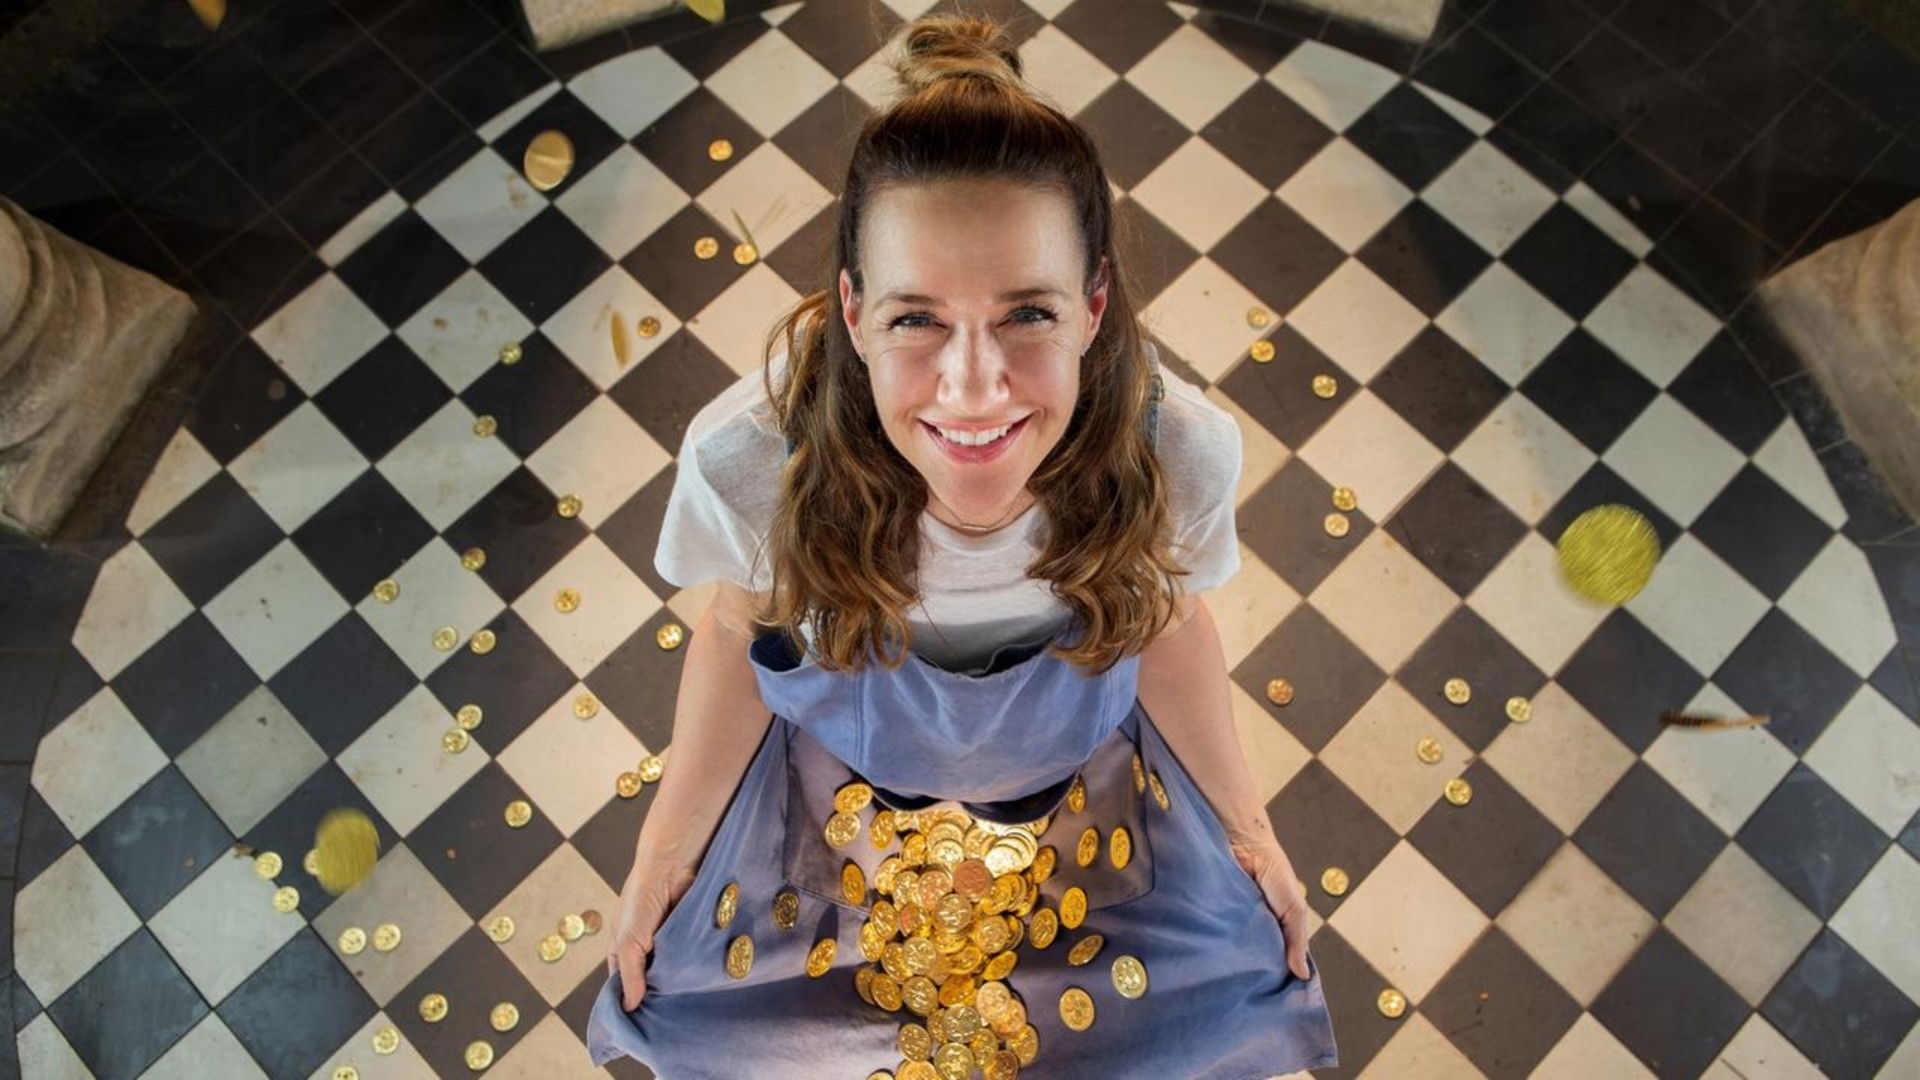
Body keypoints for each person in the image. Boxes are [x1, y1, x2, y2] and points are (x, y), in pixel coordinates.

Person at [587, 12, 1338, 1078]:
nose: (974, 390)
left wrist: (1252, 835)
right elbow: (738, 632)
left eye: (1027, 314)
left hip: (1074, 780)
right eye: (917, 319)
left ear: (1093, 307)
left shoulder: (1179, 454)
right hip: (850, 781)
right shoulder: (753, 460)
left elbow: (1168, 624)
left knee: (1213, 1013)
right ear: (853, 313)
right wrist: (663, 856)